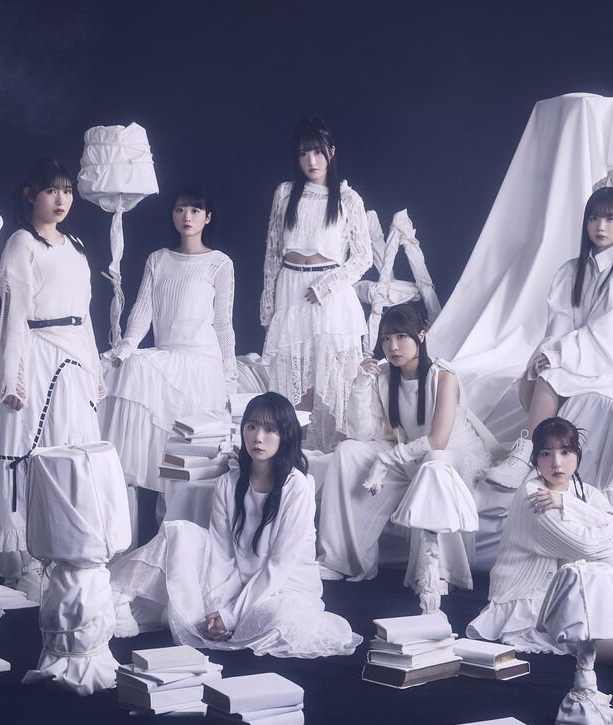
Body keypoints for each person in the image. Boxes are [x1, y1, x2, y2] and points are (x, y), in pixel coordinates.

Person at [108, 392, 360, 658]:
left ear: (285, 435)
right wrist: (218, 606)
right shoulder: (228, 483)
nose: (258, 437)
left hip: (283, 589)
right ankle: (118, 594)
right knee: (180, 533)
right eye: (251, 426)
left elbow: (278, 567)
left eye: (270, 429)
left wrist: (231, 615)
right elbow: (221, 554)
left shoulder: (297, 488)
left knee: (281, 619)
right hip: (234, 581)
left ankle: (226, 621)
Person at [485, 187, 613, 513]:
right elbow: (558, 325)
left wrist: (559, 356)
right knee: (536, 375)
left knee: (552, 376)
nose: (601, 226)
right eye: (594, 218)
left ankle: (528, 452)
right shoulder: (571, 270)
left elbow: (610, 334)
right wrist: (549, 354)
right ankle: (529, 452)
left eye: (610, 219)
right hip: (580, 352)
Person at [468, 417, 613, 683]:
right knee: (581, 624)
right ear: (535, 459)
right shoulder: (534, 495)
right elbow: (589, 543)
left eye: (565, 452)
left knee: (603, 562)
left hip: (565, 585)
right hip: (526, 598)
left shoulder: (585, 492)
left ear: (577, 454)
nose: (556, 462)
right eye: (546, 453)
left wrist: (567, 503)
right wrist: (605, 521)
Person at [0, 158, 102, 596]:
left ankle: (66, 548)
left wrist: (94, 368)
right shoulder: (22, 243)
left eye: (67, 190)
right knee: (34, 453)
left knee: (72, 454)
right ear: (31, 195)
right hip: (40, 353)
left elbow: (85, 315)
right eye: (51, 190)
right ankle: (30, 558)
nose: (61, 199)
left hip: (74, 356)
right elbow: (13, 314)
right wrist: (13, 378)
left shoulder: (76, 244)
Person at [318, 304, 490, 612]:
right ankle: (341, 560)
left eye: (401, 337)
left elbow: (438, 440)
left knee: (434, 461)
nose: (392, 346)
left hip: (449, 453)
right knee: (347, 452)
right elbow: (362, 433)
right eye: (386, 338)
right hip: (407, 452)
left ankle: (438, 572)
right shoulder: (384, 375)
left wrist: (386, 461)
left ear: (421, 336)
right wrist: (361, 383)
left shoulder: (443, 376)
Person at [100, 187, 236, 493]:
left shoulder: (219, 263)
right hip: (166, 358)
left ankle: (180, 517)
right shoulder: (158, 259)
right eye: (180, 210)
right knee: (125, 368)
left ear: (207, 218)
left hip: (201, 363)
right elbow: (141, 312)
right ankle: (120, 487)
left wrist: (229, 378)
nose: (187, 217)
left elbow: (223, 324)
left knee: (186, 463)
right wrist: (124, 349)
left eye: (195, 210)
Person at [260, 116, 372, 449]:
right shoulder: (284, 194)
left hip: (330, 297)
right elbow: (272, 253)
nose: (311, 161)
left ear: (331, 152)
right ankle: (294, 455)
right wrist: (268, 308)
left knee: (335, 381)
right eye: (303, 154)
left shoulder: (348, 199)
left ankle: (333, 458)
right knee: (296, 381)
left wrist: (326, 286)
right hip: (291, 291)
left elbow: (363, 257)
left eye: (318, 152)